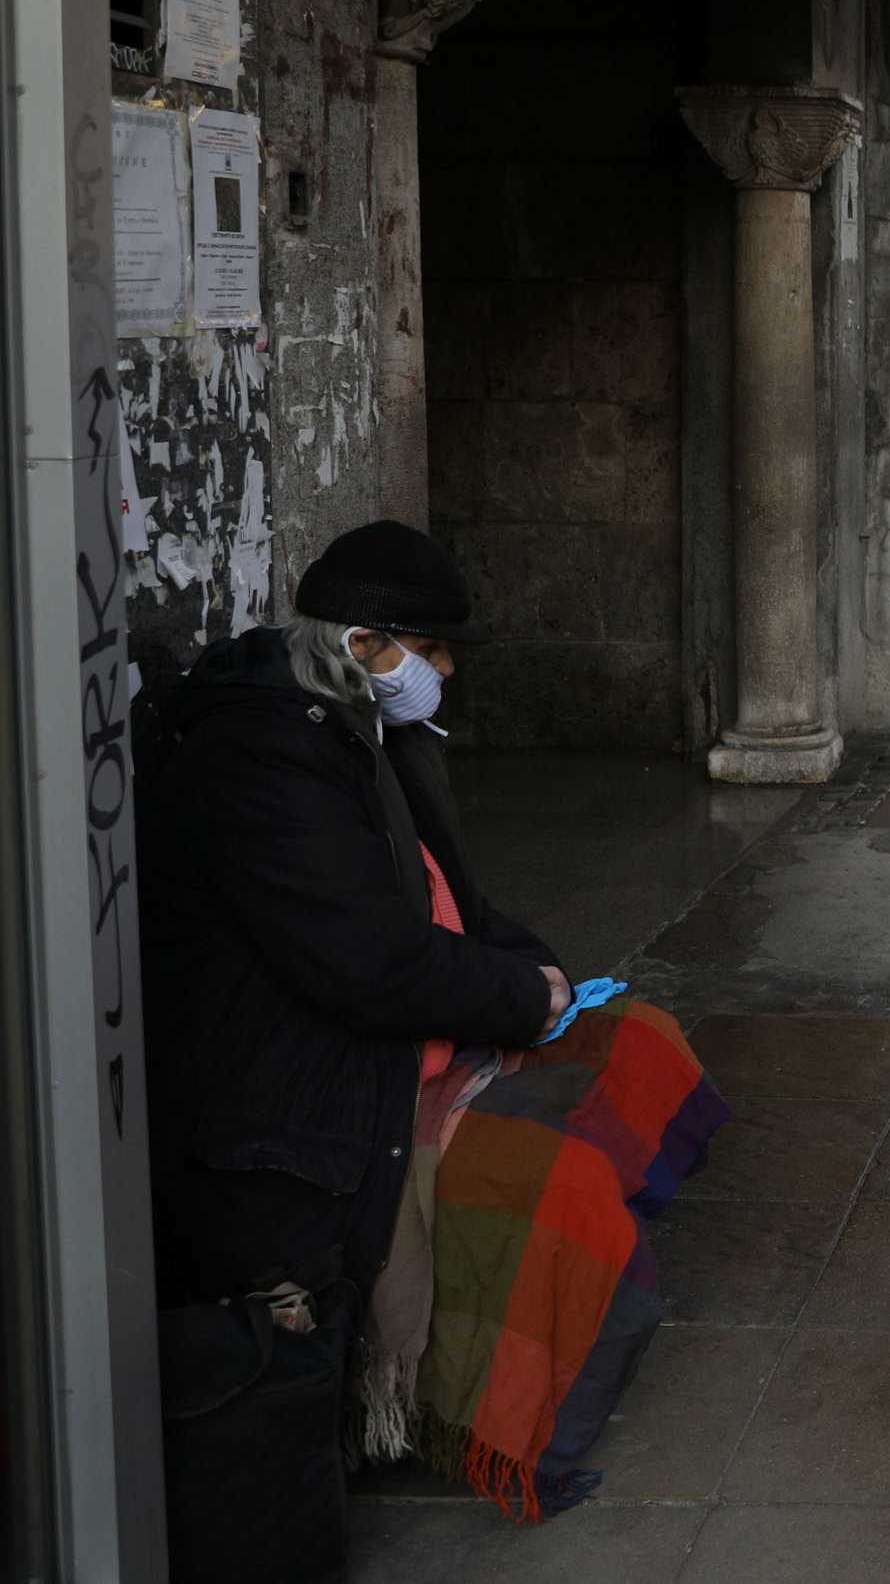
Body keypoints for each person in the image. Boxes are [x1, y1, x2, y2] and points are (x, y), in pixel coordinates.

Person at [141, 520, 724, 1563]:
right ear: (367, 645)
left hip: (390, 1032)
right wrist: (515, 996)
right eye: (433, 650)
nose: (442, 672)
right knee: (562, 1189)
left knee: (634, 1042)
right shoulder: (261, 764)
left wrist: (539, 978)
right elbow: (371, 964)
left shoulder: (356, 731)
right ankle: (474, 1411)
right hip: (300, 1101)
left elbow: (451, 901)